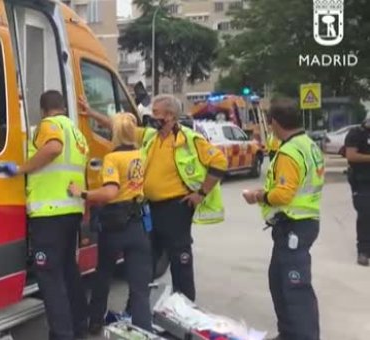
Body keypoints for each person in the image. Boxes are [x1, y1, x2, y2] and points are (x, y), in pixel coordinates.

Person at [81, 94, 227, 302]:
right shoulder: (151, 136)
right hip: (150, 209)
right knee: (145, 262)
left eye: (156, 112)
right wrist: (92, 112)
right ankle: (137, 310)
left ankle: (184, 310)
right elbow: (121, 128)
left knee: (180, 260)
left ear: (169, 115)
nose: (151, 116)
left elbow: (220, 162)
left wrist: (201, 193)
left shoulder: (189, 139)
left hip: (176, 209)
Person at [0, 90, 89, 340]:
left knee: (49, 276)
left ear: (43, 110)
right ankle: (79, 326)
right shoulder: (76, 133)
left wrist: (22, 169)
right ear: (63, 107)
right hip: (71, 210)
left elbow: (53, 148)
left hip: (49, 214)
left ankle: (62, 334)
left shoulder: (49, 125)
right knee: (69, 270)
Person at [242, 97, 323, 340]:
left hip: (295, 225)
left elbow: (283, 194)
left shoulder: (289, 151)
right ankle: (289, 333)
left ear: (275, 123)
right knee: (278, 281)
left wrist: (257, 195)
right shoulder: (308, 144)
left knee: (294, 287)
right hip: (302, 222)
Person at [67, 113, 153, 335]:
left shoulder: (112, 159)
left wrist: (82, 193)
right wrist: (92, 113)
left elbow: (109, 192)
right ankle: (144, 332)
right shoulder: (142, 153)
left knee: (103, 275)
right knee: (139, 288)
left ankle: (95, 322)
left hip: (115, 225)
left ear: (114, 133)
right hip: (138, 225)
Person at [344, 117, 370, 266]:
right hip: (363, 182)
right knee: (366, 215)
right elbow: (351, 155)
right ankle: (363, 251)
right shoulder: (356, 134)